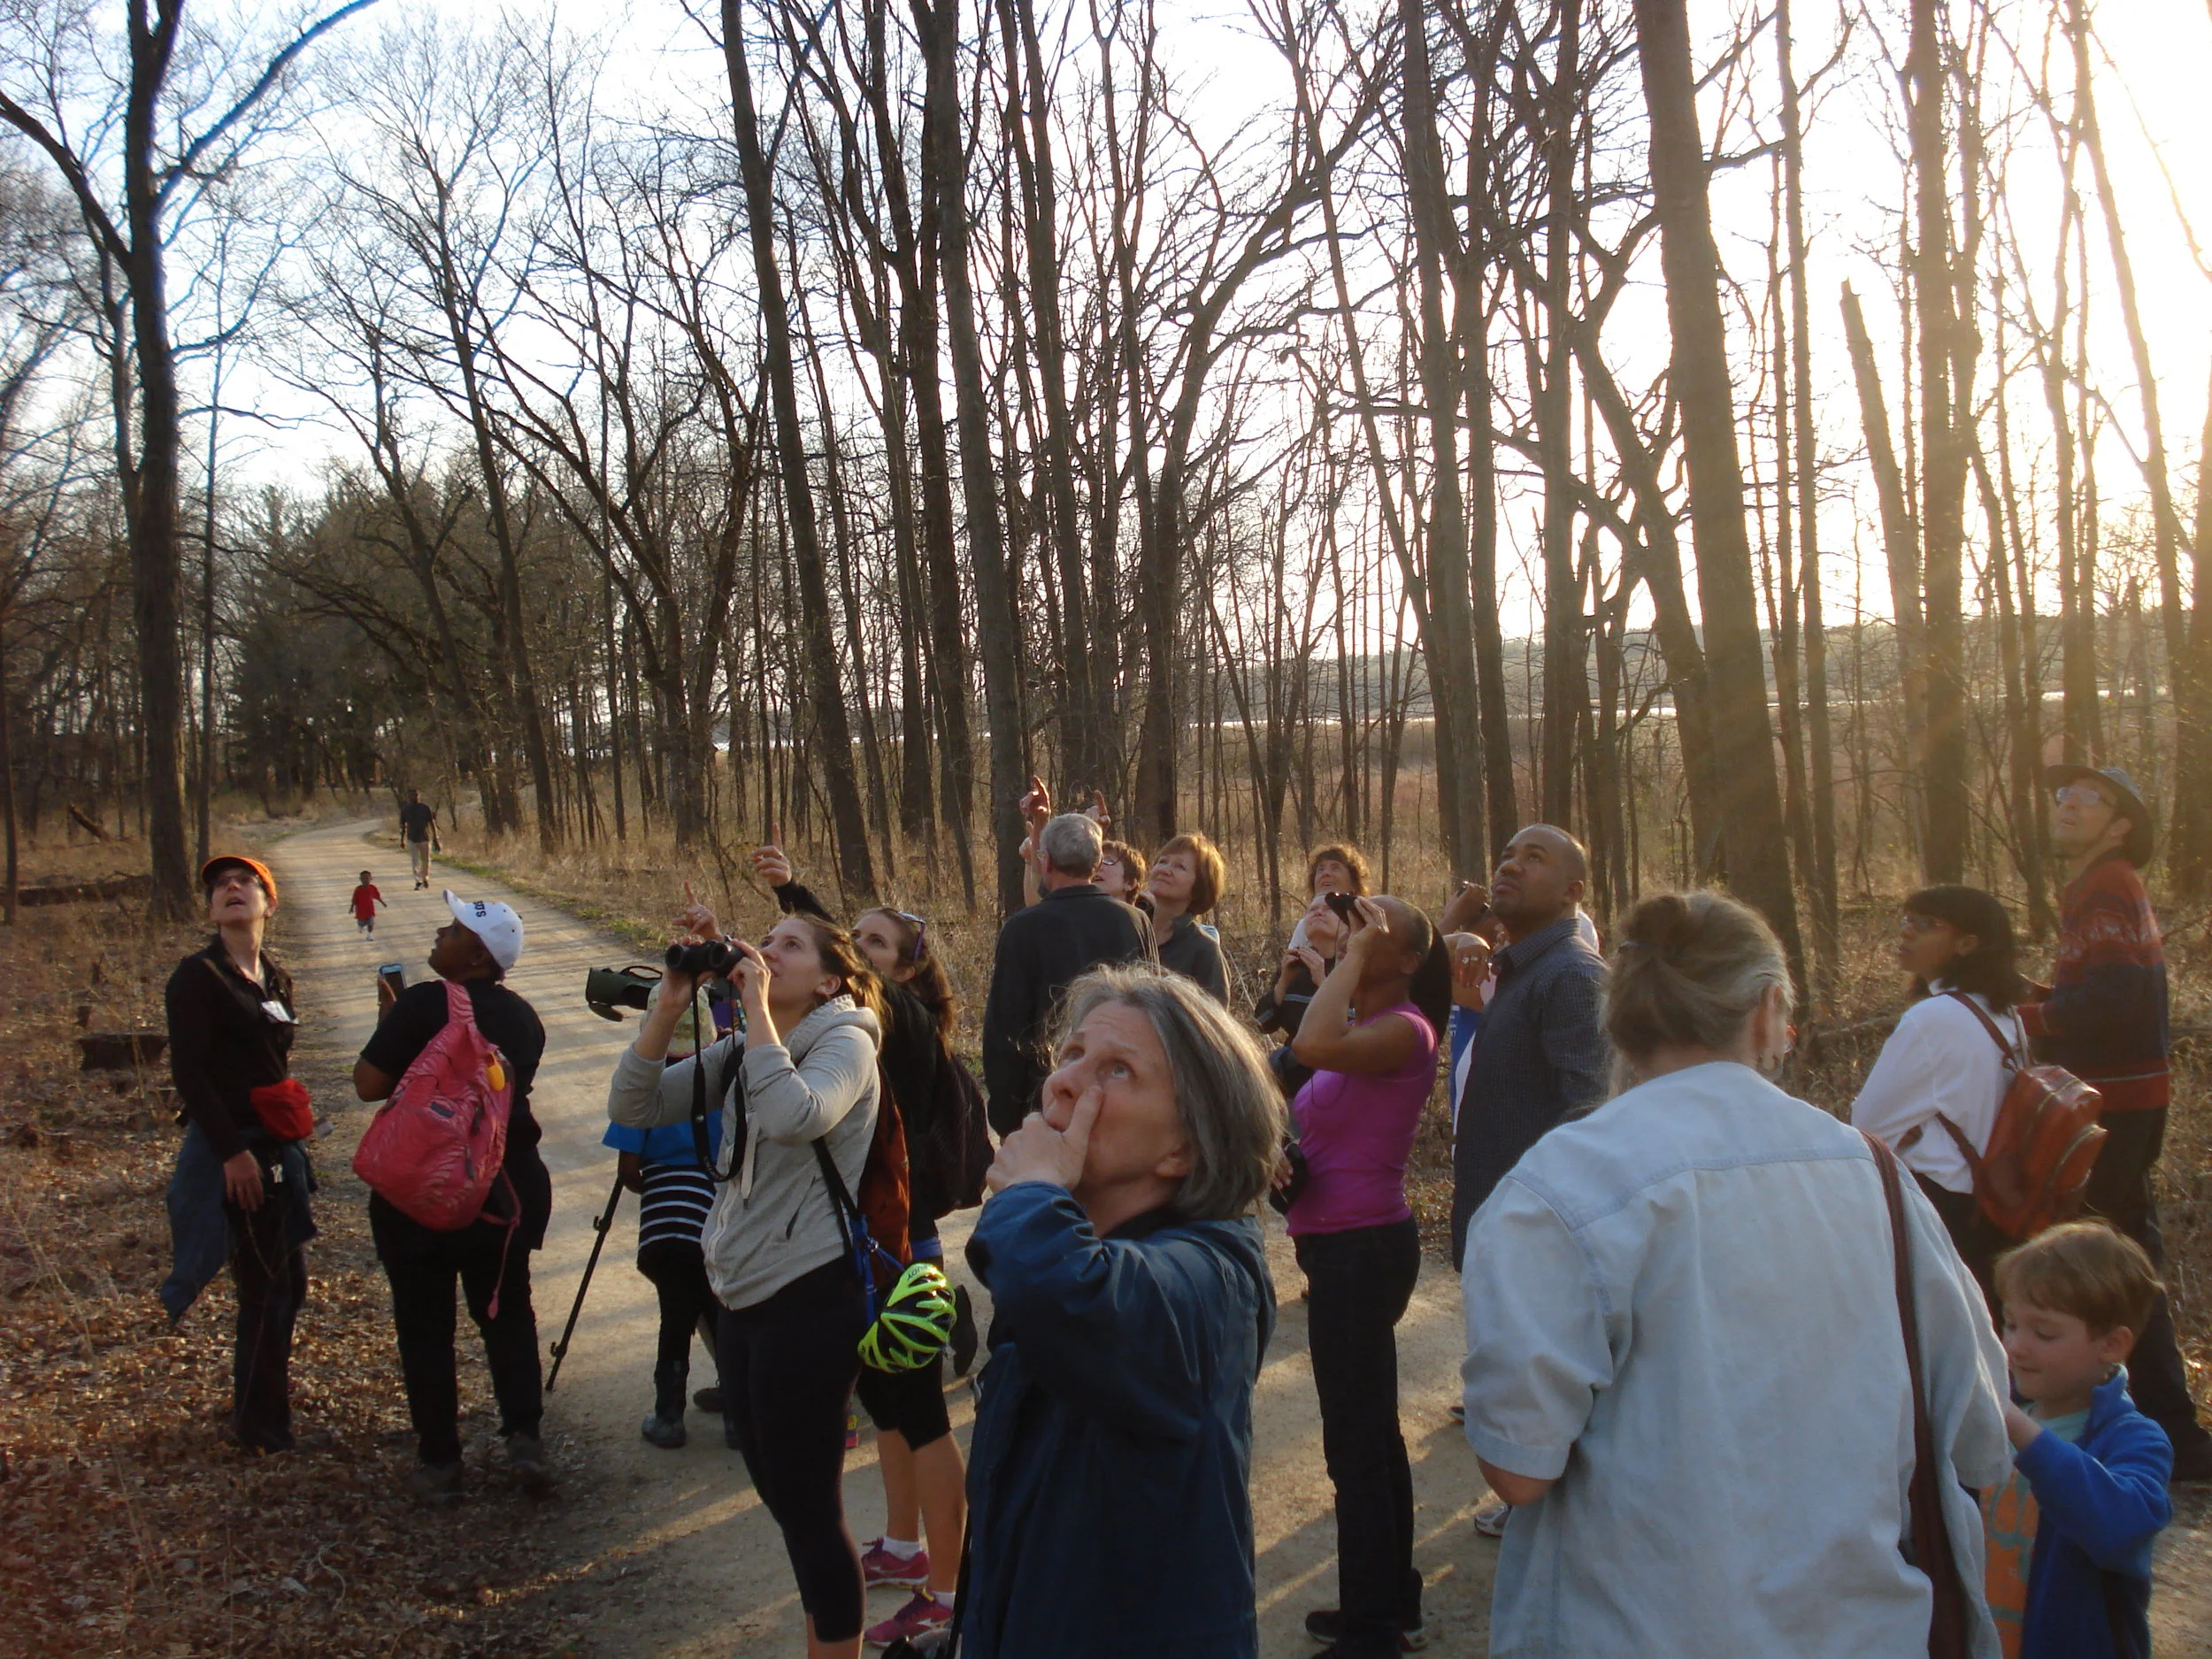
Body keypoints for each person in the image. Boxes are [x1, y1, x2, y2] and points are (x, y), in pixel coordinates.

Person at [1459, 890, 2011, 1656]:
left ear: (1619, 1020)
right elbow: (1980, 1432)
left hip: (1637, 1628)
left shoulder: (1558, 1187)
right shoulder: (1878, 1178)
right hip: (1865, 1628)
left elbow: (1519, 1468)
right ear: (1768, 1009)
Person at [961, 964, 1282, 1658]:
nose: (1063, 1082)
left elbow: (1066, 1293)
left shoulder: (1214, 1280)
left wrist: (1031, 1192)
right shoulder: (1077, 1247)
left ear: (1184, 1146)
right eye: (1072, 1053)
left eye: (1118, 1070)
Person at [608, 903, 884, 1659]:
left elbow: (796, 1113)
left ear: (829, 980)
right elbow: (633, 1105)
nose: (768, 952)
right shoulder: (742, 1046)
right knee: (779, 1494)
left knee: (811, 1507)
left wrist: (756, 1009)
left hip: (810, 1295)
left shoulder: (849, 1038)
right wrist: (668, 1006)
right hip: (739, 1289)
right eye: (765, 942)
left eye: (790, 945)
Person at [735, 849, 974, 1647]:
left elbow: (833, 958)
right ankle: (905, 1547)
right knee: (888, 1411)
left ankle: (951, 1589)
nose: (859, 947)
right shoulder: (860, 1014)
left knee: (923, 1415)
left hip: (902, 1251)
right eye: (857, 937)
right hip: (861, 1249)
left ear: (903, 970)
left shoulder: (896, 1018)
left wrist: (796, 903)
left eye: (875, 942)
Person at [2019, 764, 2212, 1480]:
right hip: (2129, 1100)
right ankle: (2166, 1426)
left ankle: (2170, 1433)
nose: (2068, 805)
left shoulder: (2106, 886)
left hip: (2118, 1106)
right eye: (2062, 795)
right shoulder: (2099, 886)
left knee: (2117, 1258)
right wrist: (2035, 994)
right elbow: (2104, 989)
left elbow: (2113, 1004)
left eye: (2088, 799)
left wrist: (2023, 1018)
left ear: (2121, 825)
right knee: (2128, 1248)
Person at [1282, 897, 1443, 1658]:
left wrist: (1349, 953)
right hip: (1339, 1246)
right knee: (1372, 1434)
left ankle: (1373, 1632)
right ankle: (1385, 1601)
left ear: (1408, 960)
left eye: (1380, 930)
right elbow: (1306, 1067)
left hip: (1362, 1251)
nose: (1360, 933)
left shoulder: (1406, 1031)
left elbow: (1311, 1042)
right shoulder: (1362, 1026)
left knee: (1356, 1445)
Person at [354, 891, 550, 1504]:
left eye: (456, 928)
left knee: (425, 1325)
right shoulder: (525, 1019)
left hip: (419, 1191)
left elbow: (368, 1085)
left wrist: (390, 1024)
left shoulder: (421, 1004)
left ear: (477, 955)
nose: (441, 932)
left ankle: (440, 1461)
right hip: (503, 1188)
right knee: (507, 1312)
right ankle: (525, 1440)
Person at [162, 855, 314, 1453]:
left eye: (245, 881)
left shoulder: (274, 977)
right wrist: (231, 1154)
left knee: (287, 1282)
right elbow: (189, 1074)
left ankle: (267, 1415)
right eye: (219, 885)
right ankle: (259, 1429)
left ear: (268, 902)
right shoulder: (198, 977)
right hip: (236, 1150)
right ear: (210, 910)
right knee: (265, 1285)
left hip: (276, 1147)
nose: (230, 887)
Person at [1983, 1222, 2174, 1659]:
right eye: (2010, 1324)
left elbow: (2119, 1529)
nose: (2015, 1347)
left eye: (2044, 1333)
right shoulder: (1995, 1423)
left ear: (2112, 1344)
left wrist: (2019, 1429)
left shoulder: (2133, 1439)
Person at [1851, 885, 2027, 1304]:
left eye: (1927, 924)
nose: (1907, 932)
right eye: (1907, 919)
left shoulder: (1934, 1018)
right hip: (1997, 1204)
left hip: (1944, 1208)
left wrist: (1912, 1130)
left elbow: (1868, 1128)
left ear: (1968, 944)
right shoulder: (2004, 1012)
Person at [1447, 826, 1609, 1268]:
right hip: (1498, 1237)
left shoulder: (1574, 976)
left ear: (1572, 892)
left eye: (1534, 858)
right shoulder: (1520, 972)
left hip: (1534, 1248)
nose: (1510, 866)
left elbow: (1591, 1121)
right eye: (1507, 855)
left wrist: (1532, 1233)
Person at [603, 968, 731, 1451]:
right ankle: (739, 1414)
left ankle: (668, 1415)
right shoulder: (721, 1079)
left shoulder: (645, 1086)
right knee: (721, 1314)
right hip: (713, 1226)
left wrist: (661, 1180)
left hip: (664, 1230)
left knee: (674, 1318)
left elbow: (629, 1171)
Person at [982, 811, 1156, 1134]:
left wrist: (1007, 1117)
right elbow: (1154, 1013)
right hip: (1120, 1093)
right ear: (1097, 863)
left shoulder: (1023, 927)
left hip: (1048, 1099)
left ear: (1046, 861)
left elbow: (1006, 1028)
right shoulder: (1133, 921)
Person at [1256, 889, 1349, 1099]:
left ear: (1346, 925)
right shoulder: (1295, 967)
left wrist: (1323, 982)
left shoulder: (1351, 968)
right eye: (1312, 910)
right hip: (1294, 1075)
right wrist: (1283, 982)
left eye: (1328, 909)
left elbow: (1352, 1025)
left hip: (1339, 1071)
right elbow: (1261, 1024)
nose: (1318, 912)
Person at [1146, 831, 1231, 1002]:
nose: (1165, 870)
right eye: (1162, 862)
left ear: (1200, 886)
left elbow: (1213, 1015)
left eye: (1180, 866)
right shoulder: (1128, 930)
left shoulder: (1204, 950)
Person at [399, 788, 437, 889]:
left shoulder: (425, 808)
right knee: (415, 861)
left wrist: (435, 838)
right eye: (412, 795)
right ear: (409, 797)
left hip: (425, 838)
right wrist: (402, 840)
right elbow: (403, 826)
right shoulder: (406, 810)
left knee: (426, 861)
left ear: (419, 796)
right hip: (412, 839)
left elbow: (432, 823)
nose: (414, 797)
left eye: (416, 795)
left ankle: (425, 878)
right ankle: (418, 881)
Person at [349, 869, 386, 941]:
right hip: (361, 911)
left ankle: (369, 935)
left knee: (371, 924)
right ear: (360, 879)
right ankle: (360, 926)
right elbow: (354, 900)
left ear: (370, 879)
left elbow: (377, 896)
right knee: (361, 923)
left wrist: (383, 903)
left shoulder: (372, 888)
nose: (365, 880)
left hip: (370, 910)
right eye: (363, 878)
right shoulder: (358, 890)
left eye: (367, 878)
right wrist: (351, 908)